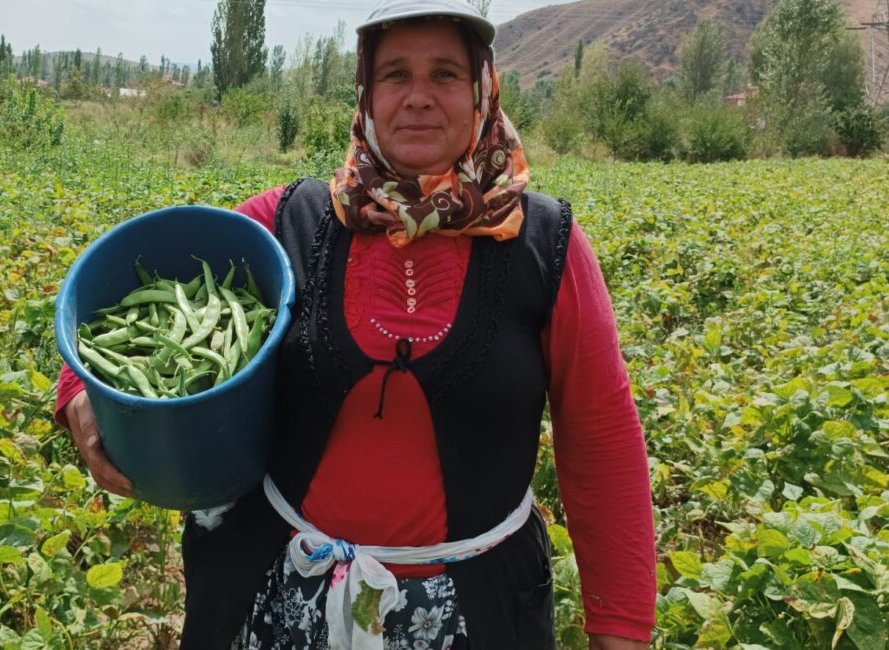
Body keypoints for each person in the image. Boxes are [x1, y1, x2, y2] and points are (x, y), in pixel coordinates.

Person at [56, 1, 656, 648]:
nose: (418, 97)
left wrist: (619, 628)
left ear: (482, 90)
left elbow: (602, 441)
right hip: (277, 598)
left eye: (446, 75)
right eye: (395, 74)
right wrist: (79, 392)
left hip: (474, 615)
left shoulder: (546, 245)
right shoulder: (287, 222)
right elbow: (136, 293)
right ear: (367, 94)